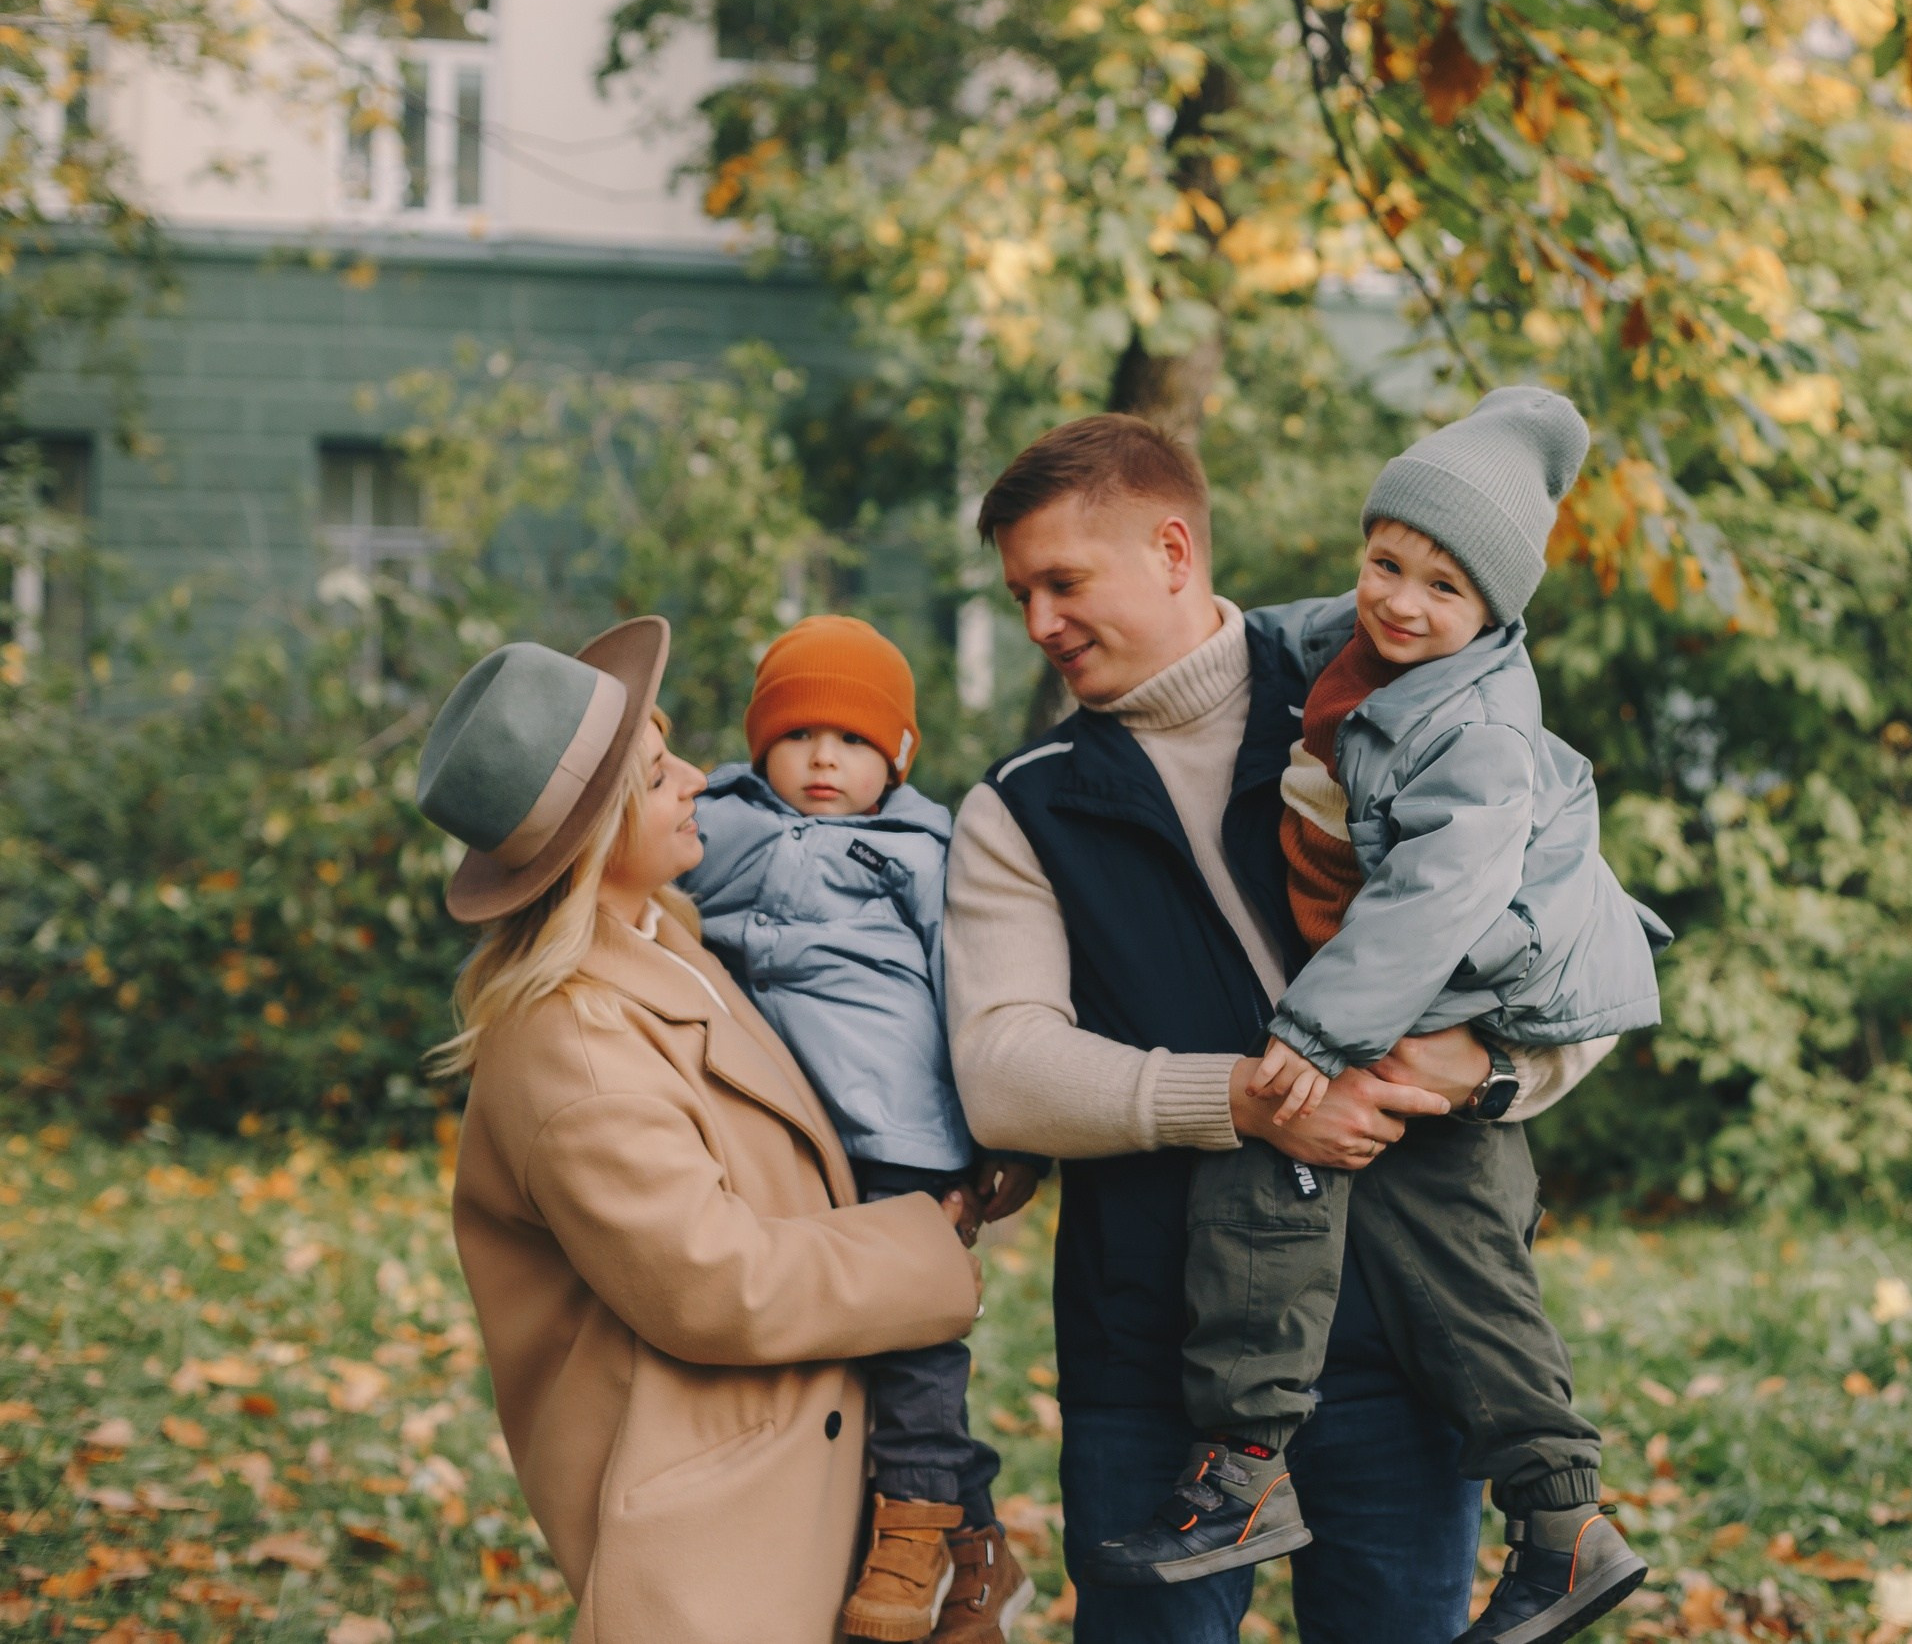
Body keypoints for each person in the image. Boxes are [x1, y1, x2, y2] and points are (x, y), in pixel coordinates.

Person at [943, 415, 1613, 1644]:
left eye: (1062, 583)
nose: (1037, 621)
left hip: (1403, 1339)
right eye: (1021, 593)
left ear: (1172, 548)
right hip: (1158, 1352)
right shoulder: (1023, 806)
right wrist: (1238, 1098)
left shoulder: (1405, 691)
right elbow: (1002, 1071)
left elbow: (1579, 954)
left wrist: (1486, 1071)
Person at [417, 616, 982, 1644]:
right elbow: (710, 1281)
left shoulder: (677, 942)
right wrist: (922, 1247)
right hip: (712, 1541)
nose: (696, 779)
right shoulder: (572, 1042)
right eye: (656, 770)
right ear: (592, 833)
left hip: (805, 1479)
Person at [681, 613, 1036, 1642]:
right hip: (780, 1137)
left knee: (912, 1348)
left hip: (902, 1141)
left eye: (852, 740)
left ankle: (916, 1529)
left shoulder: (926, 852)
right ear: (759, 749)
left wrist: (998, 1141)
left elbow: (973, 992)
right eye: (796, 737)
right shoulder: (718, 820)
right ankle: (978, 1552)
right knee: (821, 1352)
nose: (823, 758)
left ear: (899, 758)